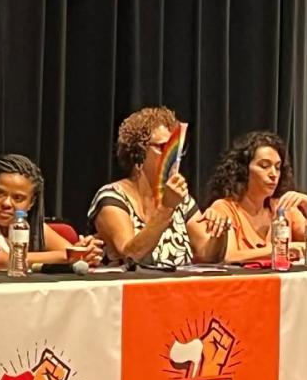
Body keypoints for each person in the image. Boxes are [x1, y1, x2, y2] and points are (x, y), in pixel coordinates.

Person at [88, 106, 228, 268]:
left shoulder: (181, 200)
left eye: (175, 148)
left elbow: (207, 255)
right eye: (163, 147)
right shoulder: (112, 197)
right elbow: (130, 255)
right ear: (138, 154)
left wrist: (219, 231)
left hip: (177, 284)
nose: (173, 156)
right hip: (129, 284)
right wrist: (166, 208)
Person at [205, 131, 307, 263]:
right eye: (264, 166)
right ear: (243, 170)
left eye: (278, 167)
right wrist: (281, 249)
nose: (274, 174)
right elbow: (230, 256)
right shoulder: (225, 208)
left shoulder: (283, 207)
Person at [0, 154, 103, 268]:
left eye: (17, 198)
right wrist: (68, 256)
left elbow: (71, 252)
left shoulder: (32, 227)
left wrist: (87, 252)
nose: (6, 203)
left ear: (31, 203)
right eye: (0, 193)